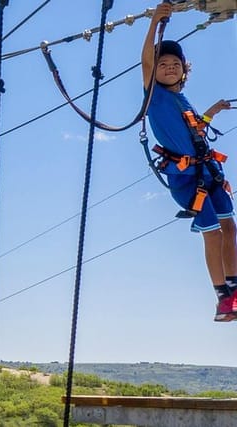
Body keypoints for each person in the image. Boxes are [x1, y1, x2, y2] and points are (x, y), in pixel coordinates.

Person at [142, 2, 237, 322]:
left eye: (175, 63)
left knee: (229, 227)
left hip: (208, 171)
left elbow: (198, 130)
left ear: (184, 69)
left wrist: (213, 110)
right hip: (185, 178)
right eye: (163, 63)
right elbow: (144, 62)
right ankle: (223, 298)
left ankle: (235, 288)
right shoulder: (155, 96)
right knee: (212, 233)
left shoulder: (184, 100)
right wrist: (155, 21)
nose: (169, 67)